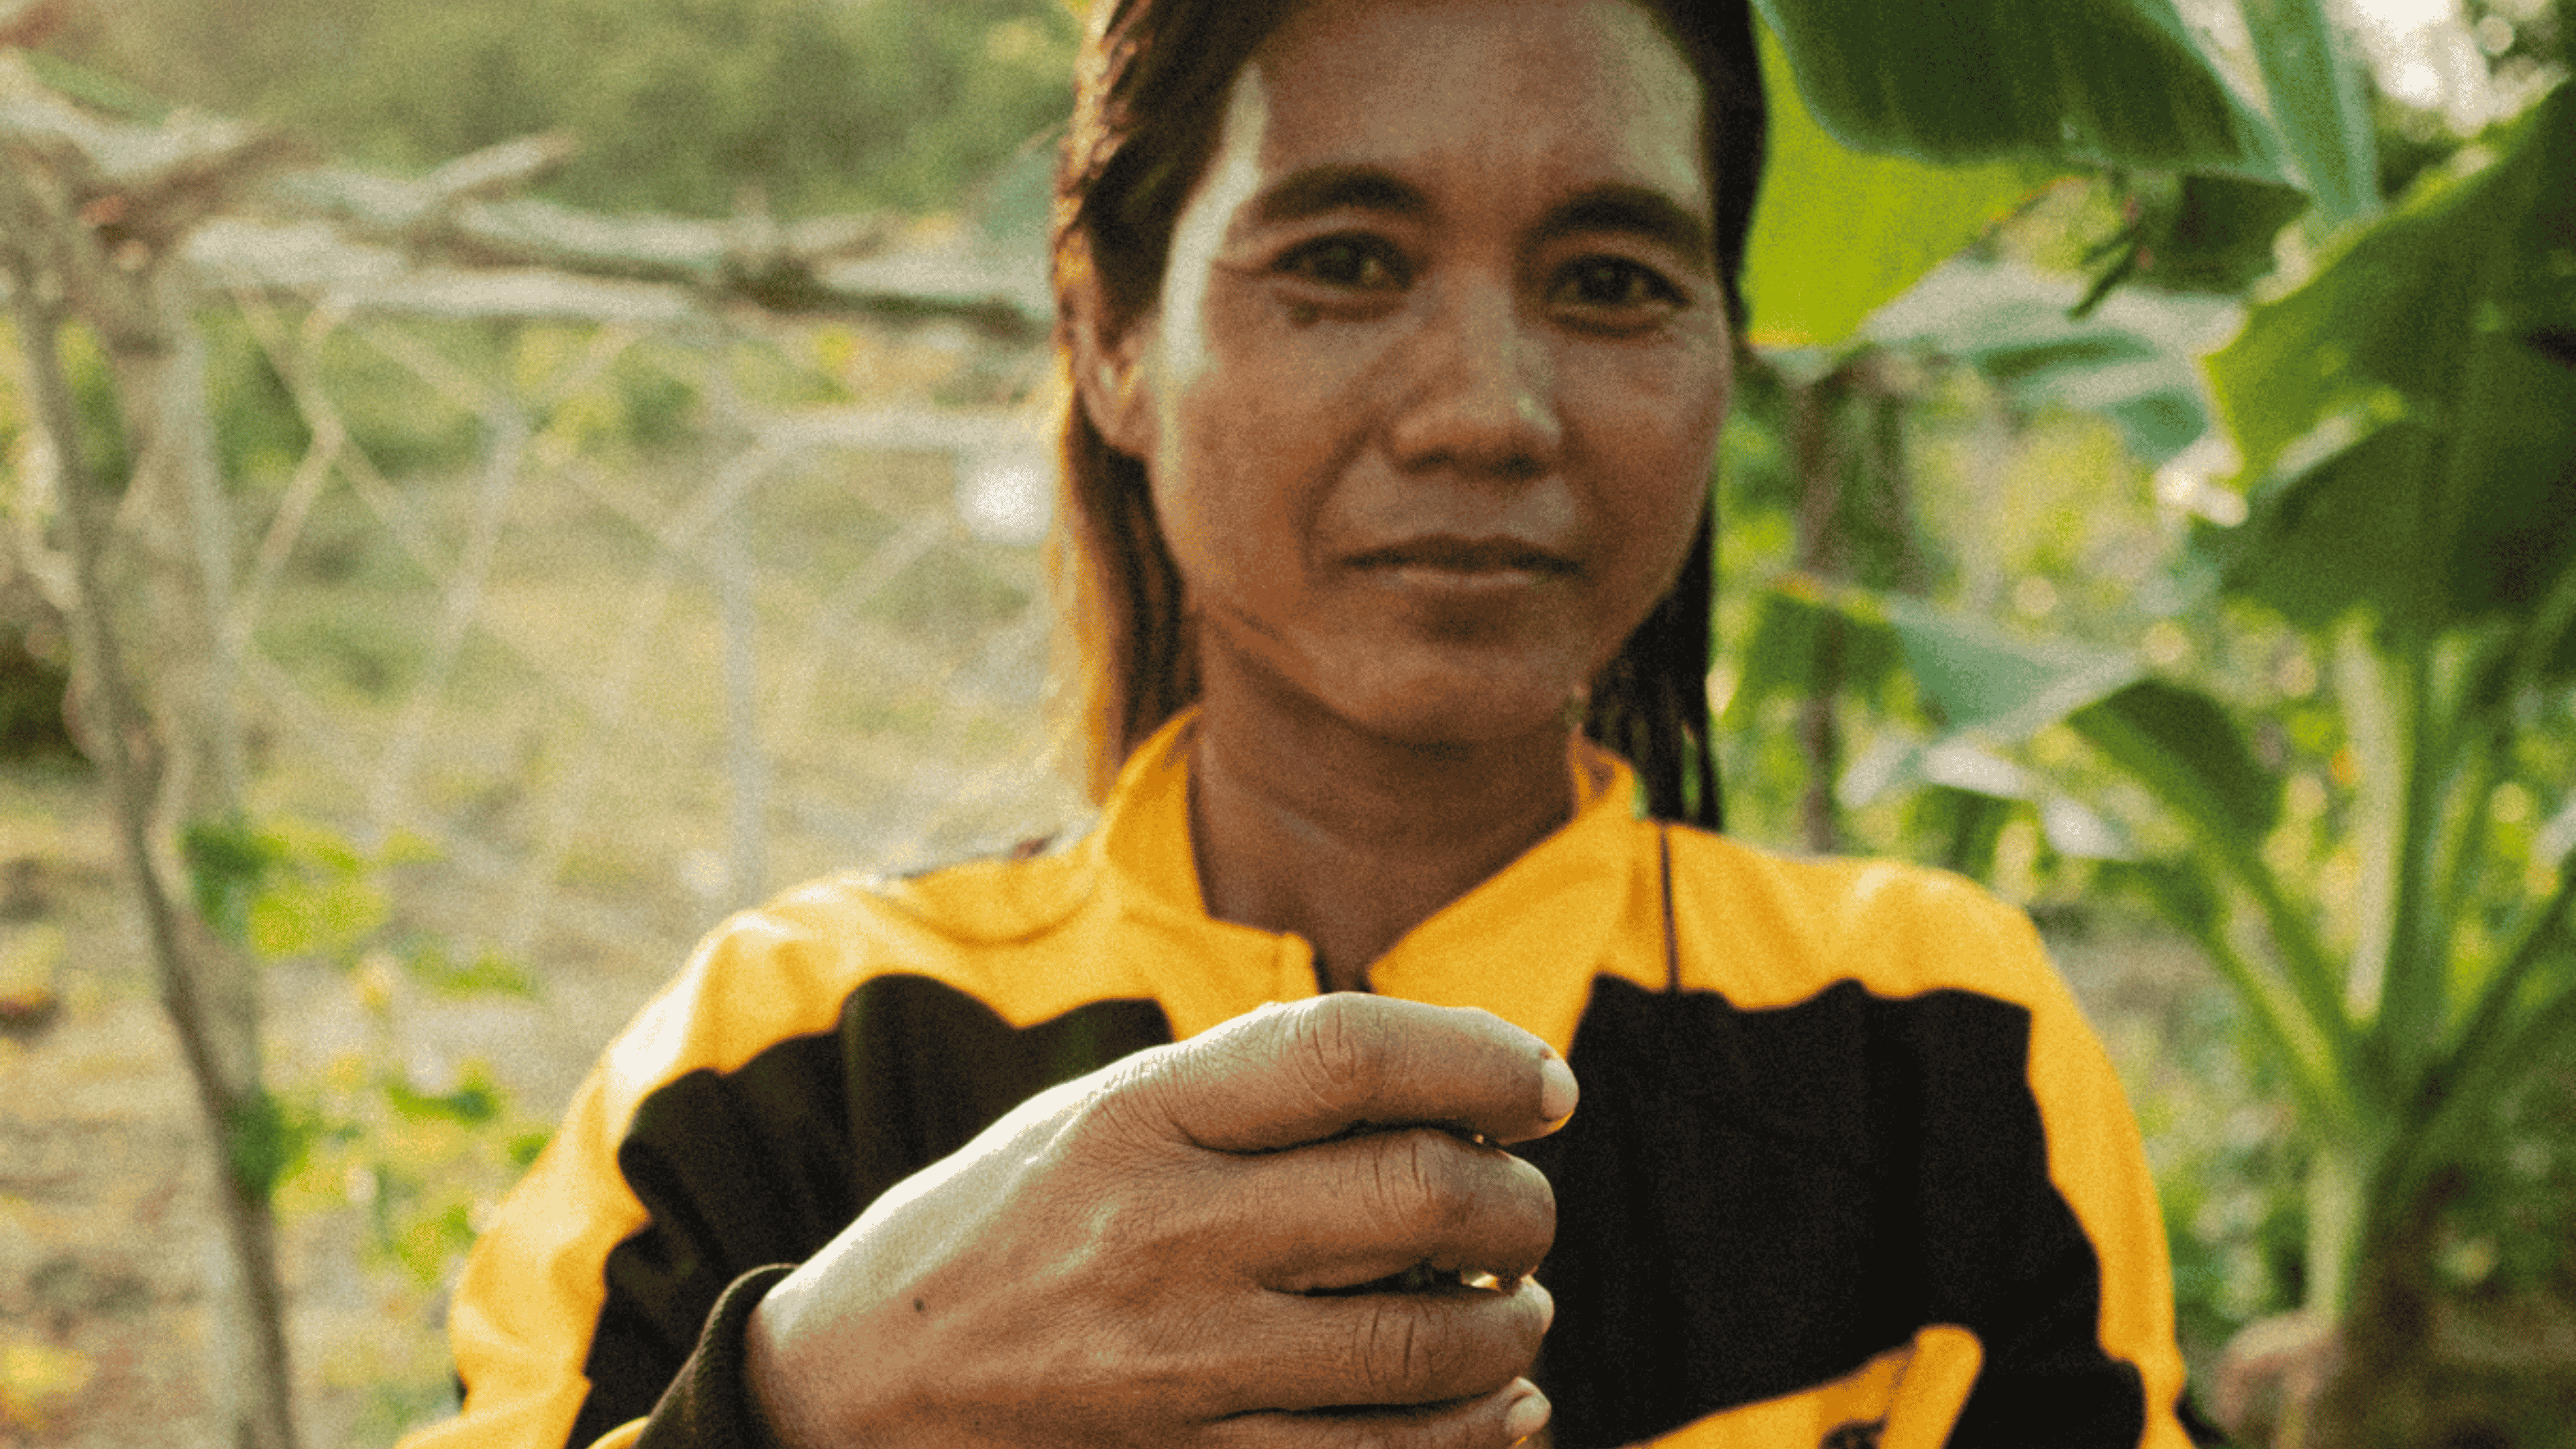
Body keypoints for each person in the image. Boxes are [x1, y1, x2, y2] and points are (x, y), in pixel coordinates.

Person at [398, 0, 2194, 1445]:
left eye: (1613, 282)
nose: (1487, 412)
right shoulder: (787, 1063)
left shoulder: (1935, 1047)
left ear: (1726, 352)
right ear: (1110, 335)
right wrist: (802, 1402)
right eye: (1343, 259)